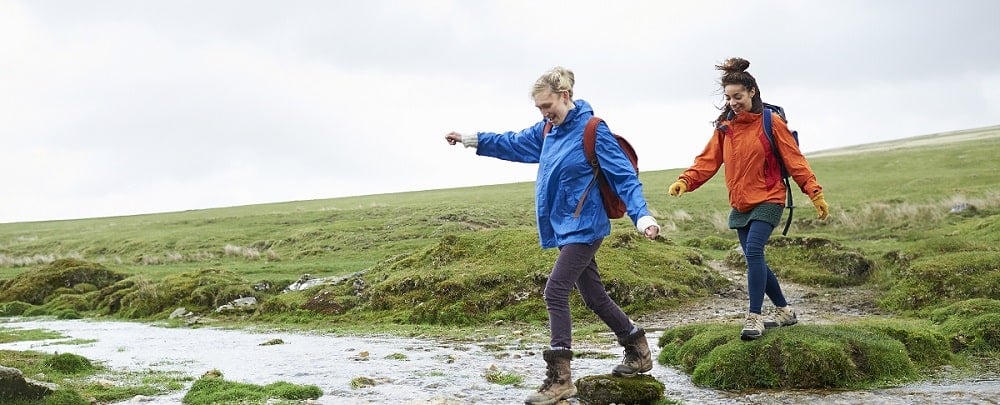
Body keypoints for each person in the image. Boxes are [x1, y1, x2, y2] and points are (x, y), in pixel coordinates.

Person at [445, 66, 661, 404]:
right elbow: (513, 143)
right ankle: (638, 348)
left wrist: (642, 216)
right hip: (563, 227)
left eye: (548, 106)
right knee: (594, 297)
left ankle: (561, 378)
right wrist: (471, 139)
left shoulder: (593, 130)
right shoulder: (547, 131)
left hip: (585, 227)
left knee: (555, 291)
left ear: (565, 96)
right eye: (539, 108)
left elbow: (624, 177)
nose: (545, 113)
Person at [667, 57, 829, 341]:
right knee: (755, 259)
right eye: (729, 98)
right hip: (741, 203)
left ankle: (754, 317)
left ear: (752, 92)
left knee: (754, 251)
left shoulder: (771, 122)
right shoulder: (726, 127)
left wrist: (814, 193)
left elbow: (795, 160)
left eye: (738, 96)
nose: (733, 102)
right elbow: (708, 160)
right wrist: (686, 181)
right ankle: (785, 311)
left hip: (769, 197)